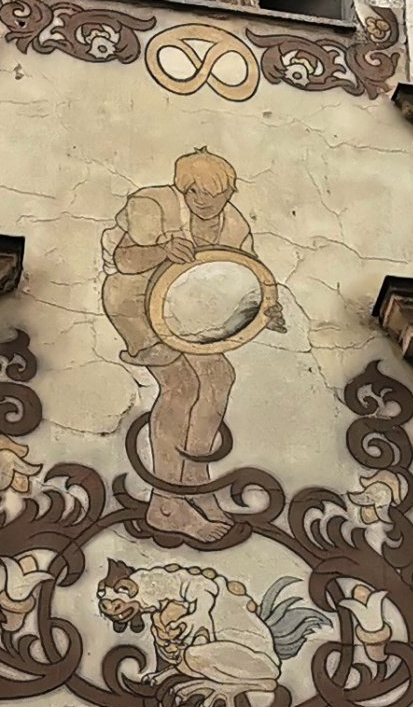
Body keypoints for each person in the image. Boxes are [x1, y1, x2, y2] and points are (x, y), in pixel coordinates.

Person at [101, 147, 282, 542]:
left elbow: (243, 280)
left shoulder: (234, 226)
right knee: (181, 386)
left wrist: (265, 309)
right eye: (193, 192)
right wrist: (160, 251)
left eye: (212, 193)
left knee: (219, 377)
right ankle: (166, 504)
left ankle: (195, 478)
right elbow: (124, 259)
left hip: (187, 310)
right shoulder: (155, 205)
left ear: (229, 193)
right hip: (134, 302)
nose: (202, 201)